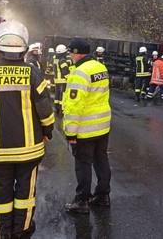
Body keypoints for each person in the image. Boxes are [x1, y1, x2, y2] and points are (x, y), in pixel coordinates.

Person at [0, 21, 54, 239]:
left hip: (0, 150)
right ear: (24, 49)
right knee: (25, 193)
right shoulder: (33, 74)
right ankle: (22, 230)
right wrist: (48, 130)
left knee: (2, 191)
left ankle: (5, 230)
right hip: (29, 150)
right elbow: (45, 109)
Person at [63, 37, 112, 214]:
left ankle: (82, 201)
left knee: (83, 163)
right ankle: (102, 195)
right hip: (102, 126)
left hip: (85, 128)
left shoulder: (79, 73)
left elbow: (75, 106)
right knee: (101, 159)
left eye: (70, 52)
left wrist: (70, 132)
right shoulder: (100, 67)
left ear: (76, 53)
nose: (69, 56)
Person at [53, 44, 71, 114]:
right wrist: (69, 78)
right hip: (63, 80)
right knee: (62, 95)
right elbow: (65, 71)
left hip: (56, 80)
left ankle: (56, 108)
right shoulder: (62, 60)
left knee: (57, 95)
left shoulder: (55, 59)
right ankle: (62, 109)